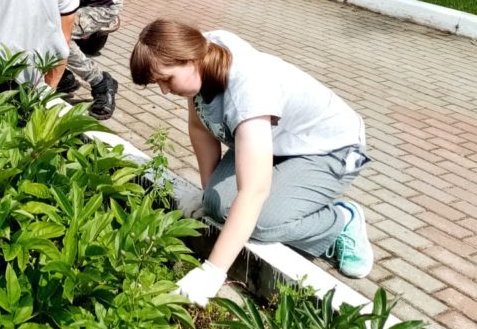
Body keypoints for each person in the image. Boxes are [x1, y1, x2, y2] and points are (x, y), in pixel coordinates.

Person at [129, 19, 374, 307]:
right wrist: (209, 195)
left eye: (166, 79)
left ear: (189, 59)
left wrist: (212, 271)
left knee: (263, 223)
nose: (164, 91)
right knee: (220, 206)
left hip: (328, 148)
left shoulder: (247, 91)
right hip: (277, 140)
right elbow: (199, 127)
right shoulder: (203, 55)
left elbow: (254, 190)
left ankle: (341, 222)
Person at [53, 0, 121, 120]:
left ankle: (101, 82)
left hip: (104, 5)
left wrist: (45, 92)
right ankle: (64, 78)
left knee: (55, 39)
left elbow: (63, 38)